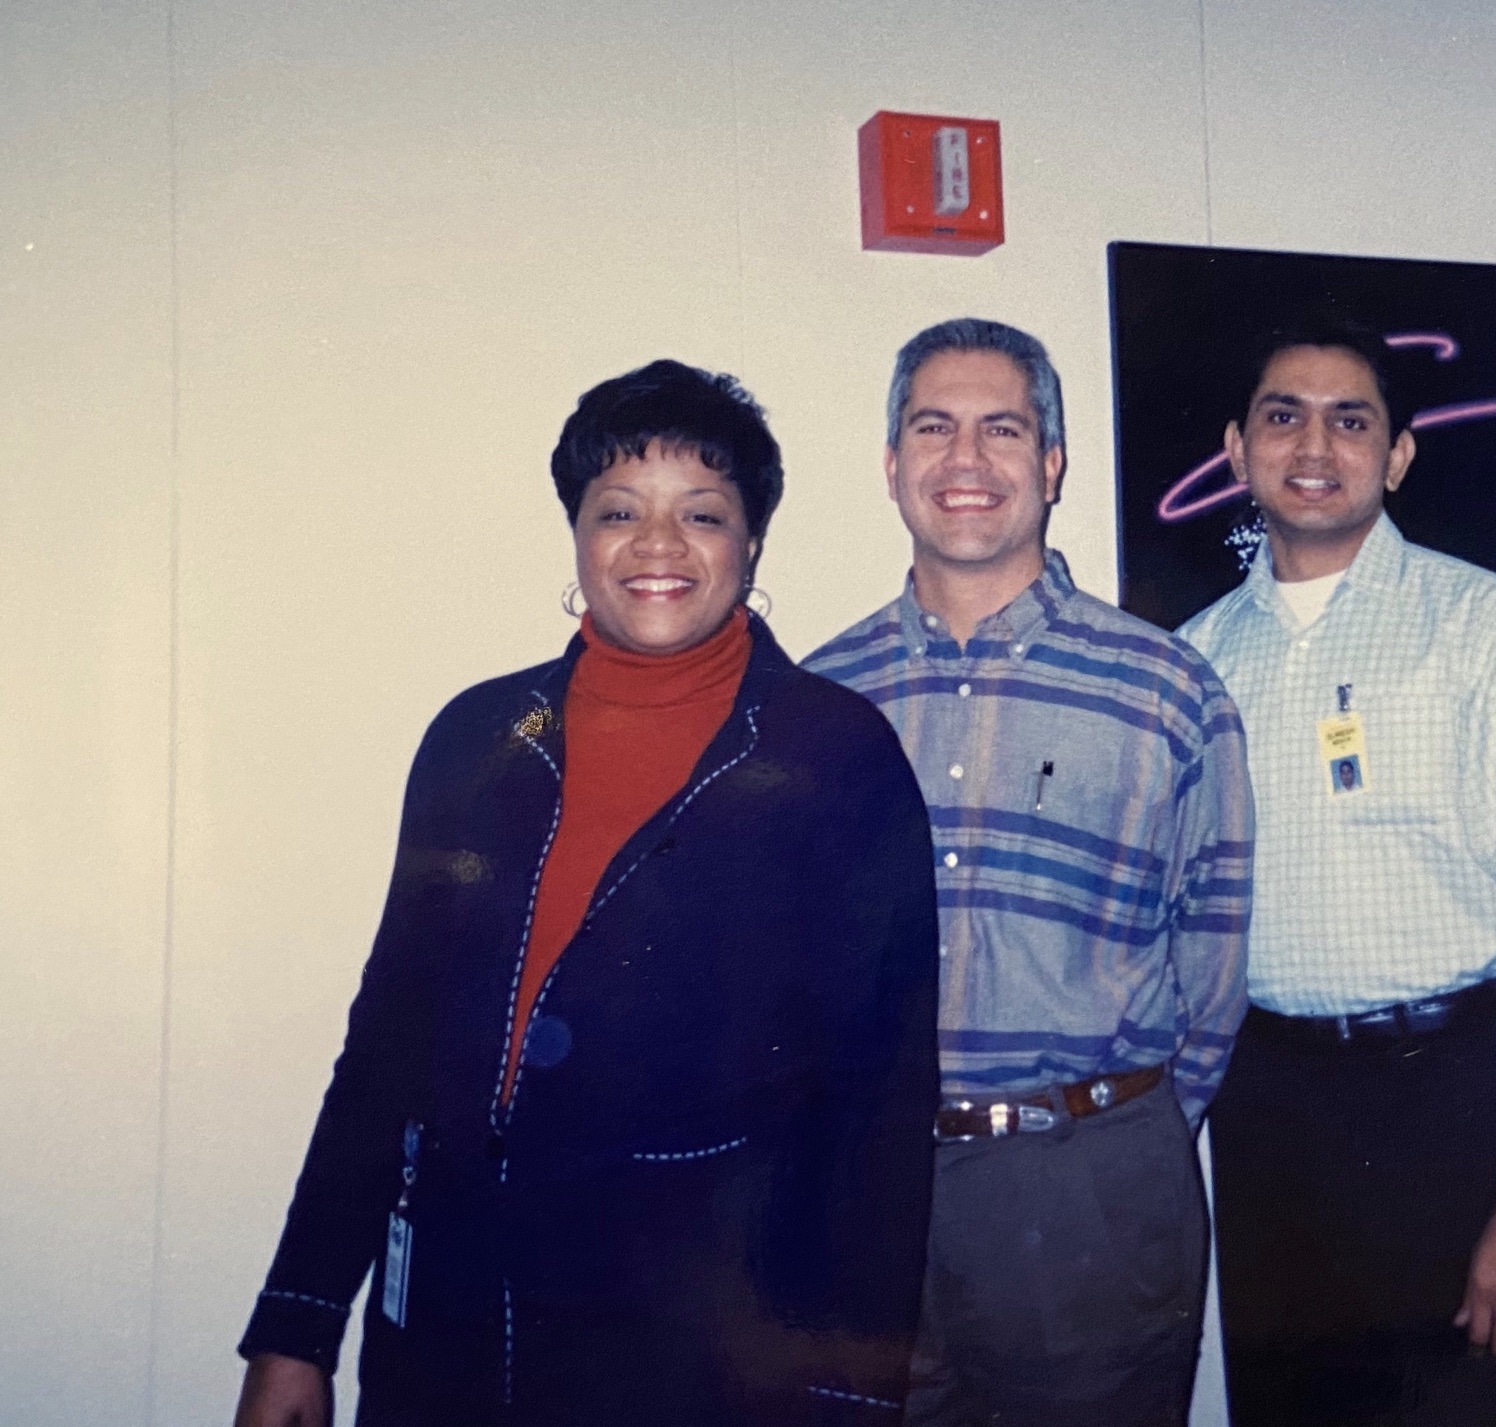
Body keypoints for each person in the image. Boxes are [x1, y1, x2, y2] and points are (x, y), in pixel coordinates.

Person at [232, 360, 941, 1427]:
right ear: (577, 533)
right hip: (451, 1331)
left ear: (750, 542)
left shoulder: (835, 755)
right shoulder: (477, 736)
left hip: (698, 1347)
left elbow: (875, 1110)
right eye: (619, 511)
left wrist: (847, 1391)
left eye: (700, 513)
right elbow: (386, 1047)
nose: (657, 546)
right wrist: (297, 1322)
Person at [1177, 317, 1496, 1426]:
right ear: (1235, 449)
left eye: (1350, 418)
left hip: (1456, 1108)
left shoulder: (1484, 626)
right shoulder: (1191, 660)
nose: (1314, 444)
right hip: (1272, 1124)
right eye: (1283, 415)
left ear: (1394, 456)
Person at [804, 317, 1253, 1427]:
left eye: (1001, 428)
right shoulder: (817, 700)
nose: (966, 460)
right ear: (891, 463)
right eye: (933, 427)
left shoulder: (1163, 686)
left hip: (1090, 1188)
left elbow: (1214, 943)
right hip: (871, 1191)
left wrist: (1118, 1129)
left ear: (1050, 463)